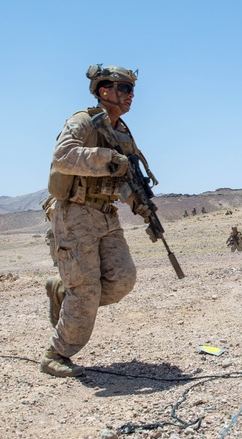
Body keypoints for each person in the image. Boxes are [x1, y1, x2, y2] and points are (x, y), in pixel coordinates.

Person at [40, 64, 156, 377]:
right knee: (87, 289)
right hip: (75, 213)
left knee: (122, 280)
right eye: (125, 89)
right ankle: (56, 354)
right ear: (105, 91)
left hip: (106, 214)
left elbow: (124, 177)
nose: (131, 96)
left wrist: (141, 206)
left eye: (132, 90)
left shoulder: (120, 132)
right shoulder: (83, 121)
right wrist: (108, 159)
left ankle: (64, 295)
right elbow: (62, 157)